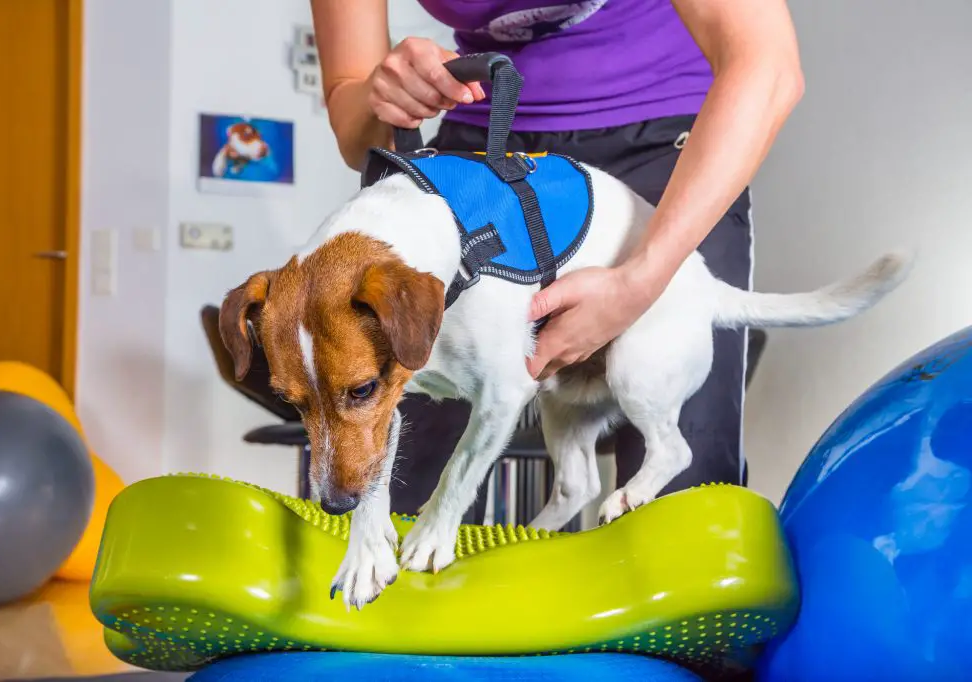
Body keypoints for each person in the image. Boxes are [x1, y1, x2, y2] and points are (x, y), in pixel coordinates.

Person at [309, 0, 804, 523]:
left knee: (683, 515)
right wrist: (380, 93)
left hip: (660, 146)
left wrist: (641, 280)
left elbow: (766, 67)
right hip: (484, 155)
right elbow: (358, 131)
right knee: (408, 498)